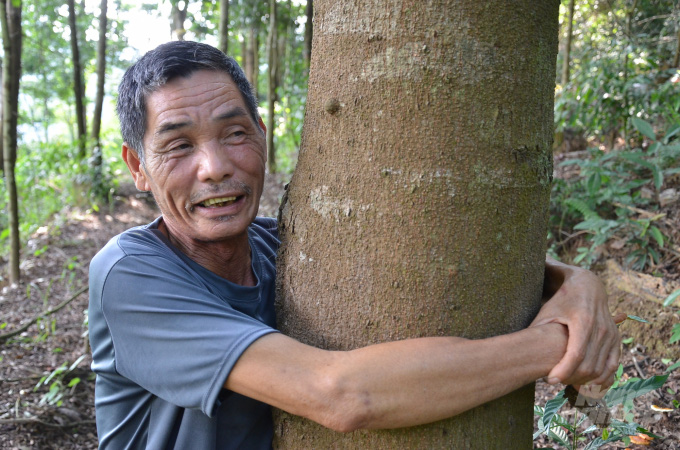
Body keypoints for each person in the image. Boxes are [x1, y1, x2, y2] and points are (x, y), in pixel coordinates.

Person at [89, 41, 623, 449]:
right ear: (138, 167)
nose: (216, 167)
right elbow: (342, 395)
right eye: (178, 145)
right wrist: (558, 345)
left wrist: (578, 282)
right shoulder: (129, 275)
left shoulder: (277, 244)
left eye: (234, 134)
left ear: (262, 134)